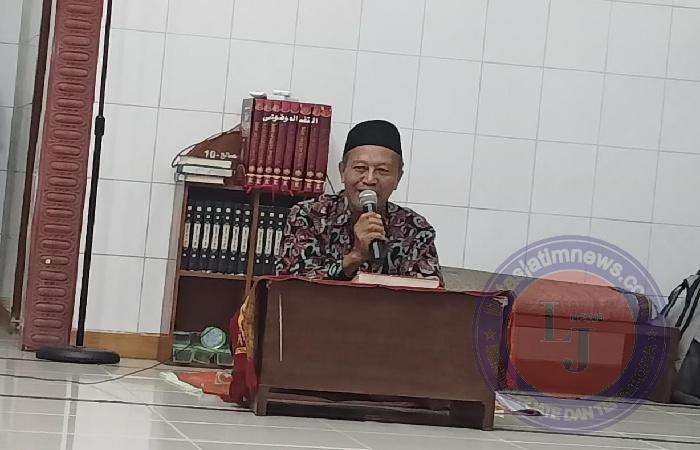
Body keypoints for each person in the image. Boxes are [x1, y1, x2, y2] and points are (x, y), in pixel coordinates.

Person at [276, 119, 443, 285]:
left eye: (382, 170)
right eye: (360, 168)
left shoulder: (415, 229)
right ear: (342, 171)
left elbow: (428, 293)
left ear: (398, 178)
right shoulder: (308, 216)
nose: (369, 179)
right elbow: (290, 285)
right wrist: (355, 256)